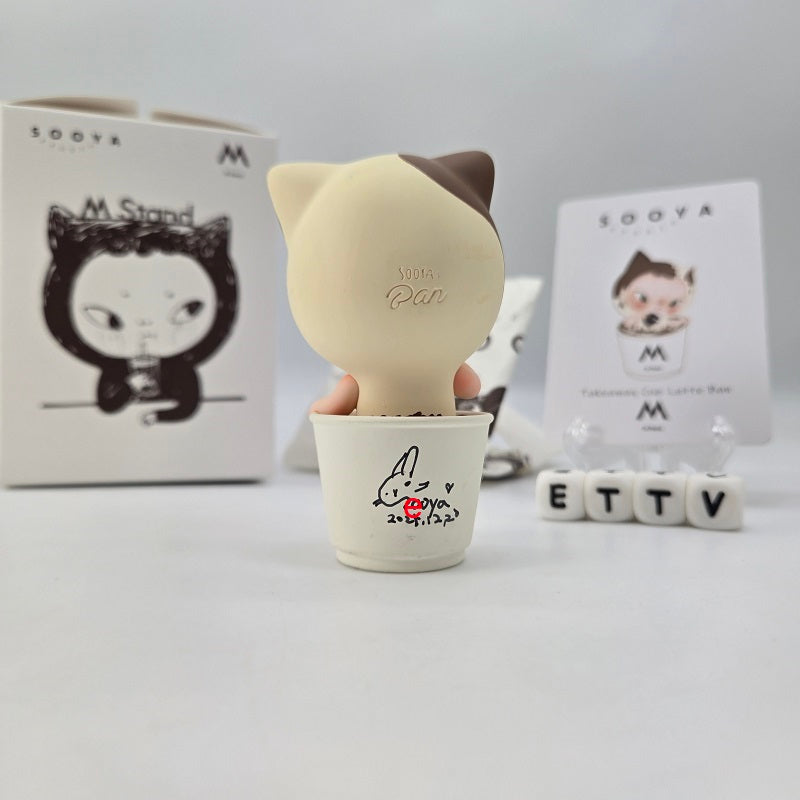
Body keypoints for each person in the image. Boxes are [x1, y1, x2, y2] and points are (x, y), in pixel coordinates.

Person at [311, 363, 481, 415]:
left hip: (435, 443)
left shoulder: (444, 363)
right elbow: (322, 412)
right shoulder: (356, 381)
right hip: (379, 448)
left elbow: (471, 388)